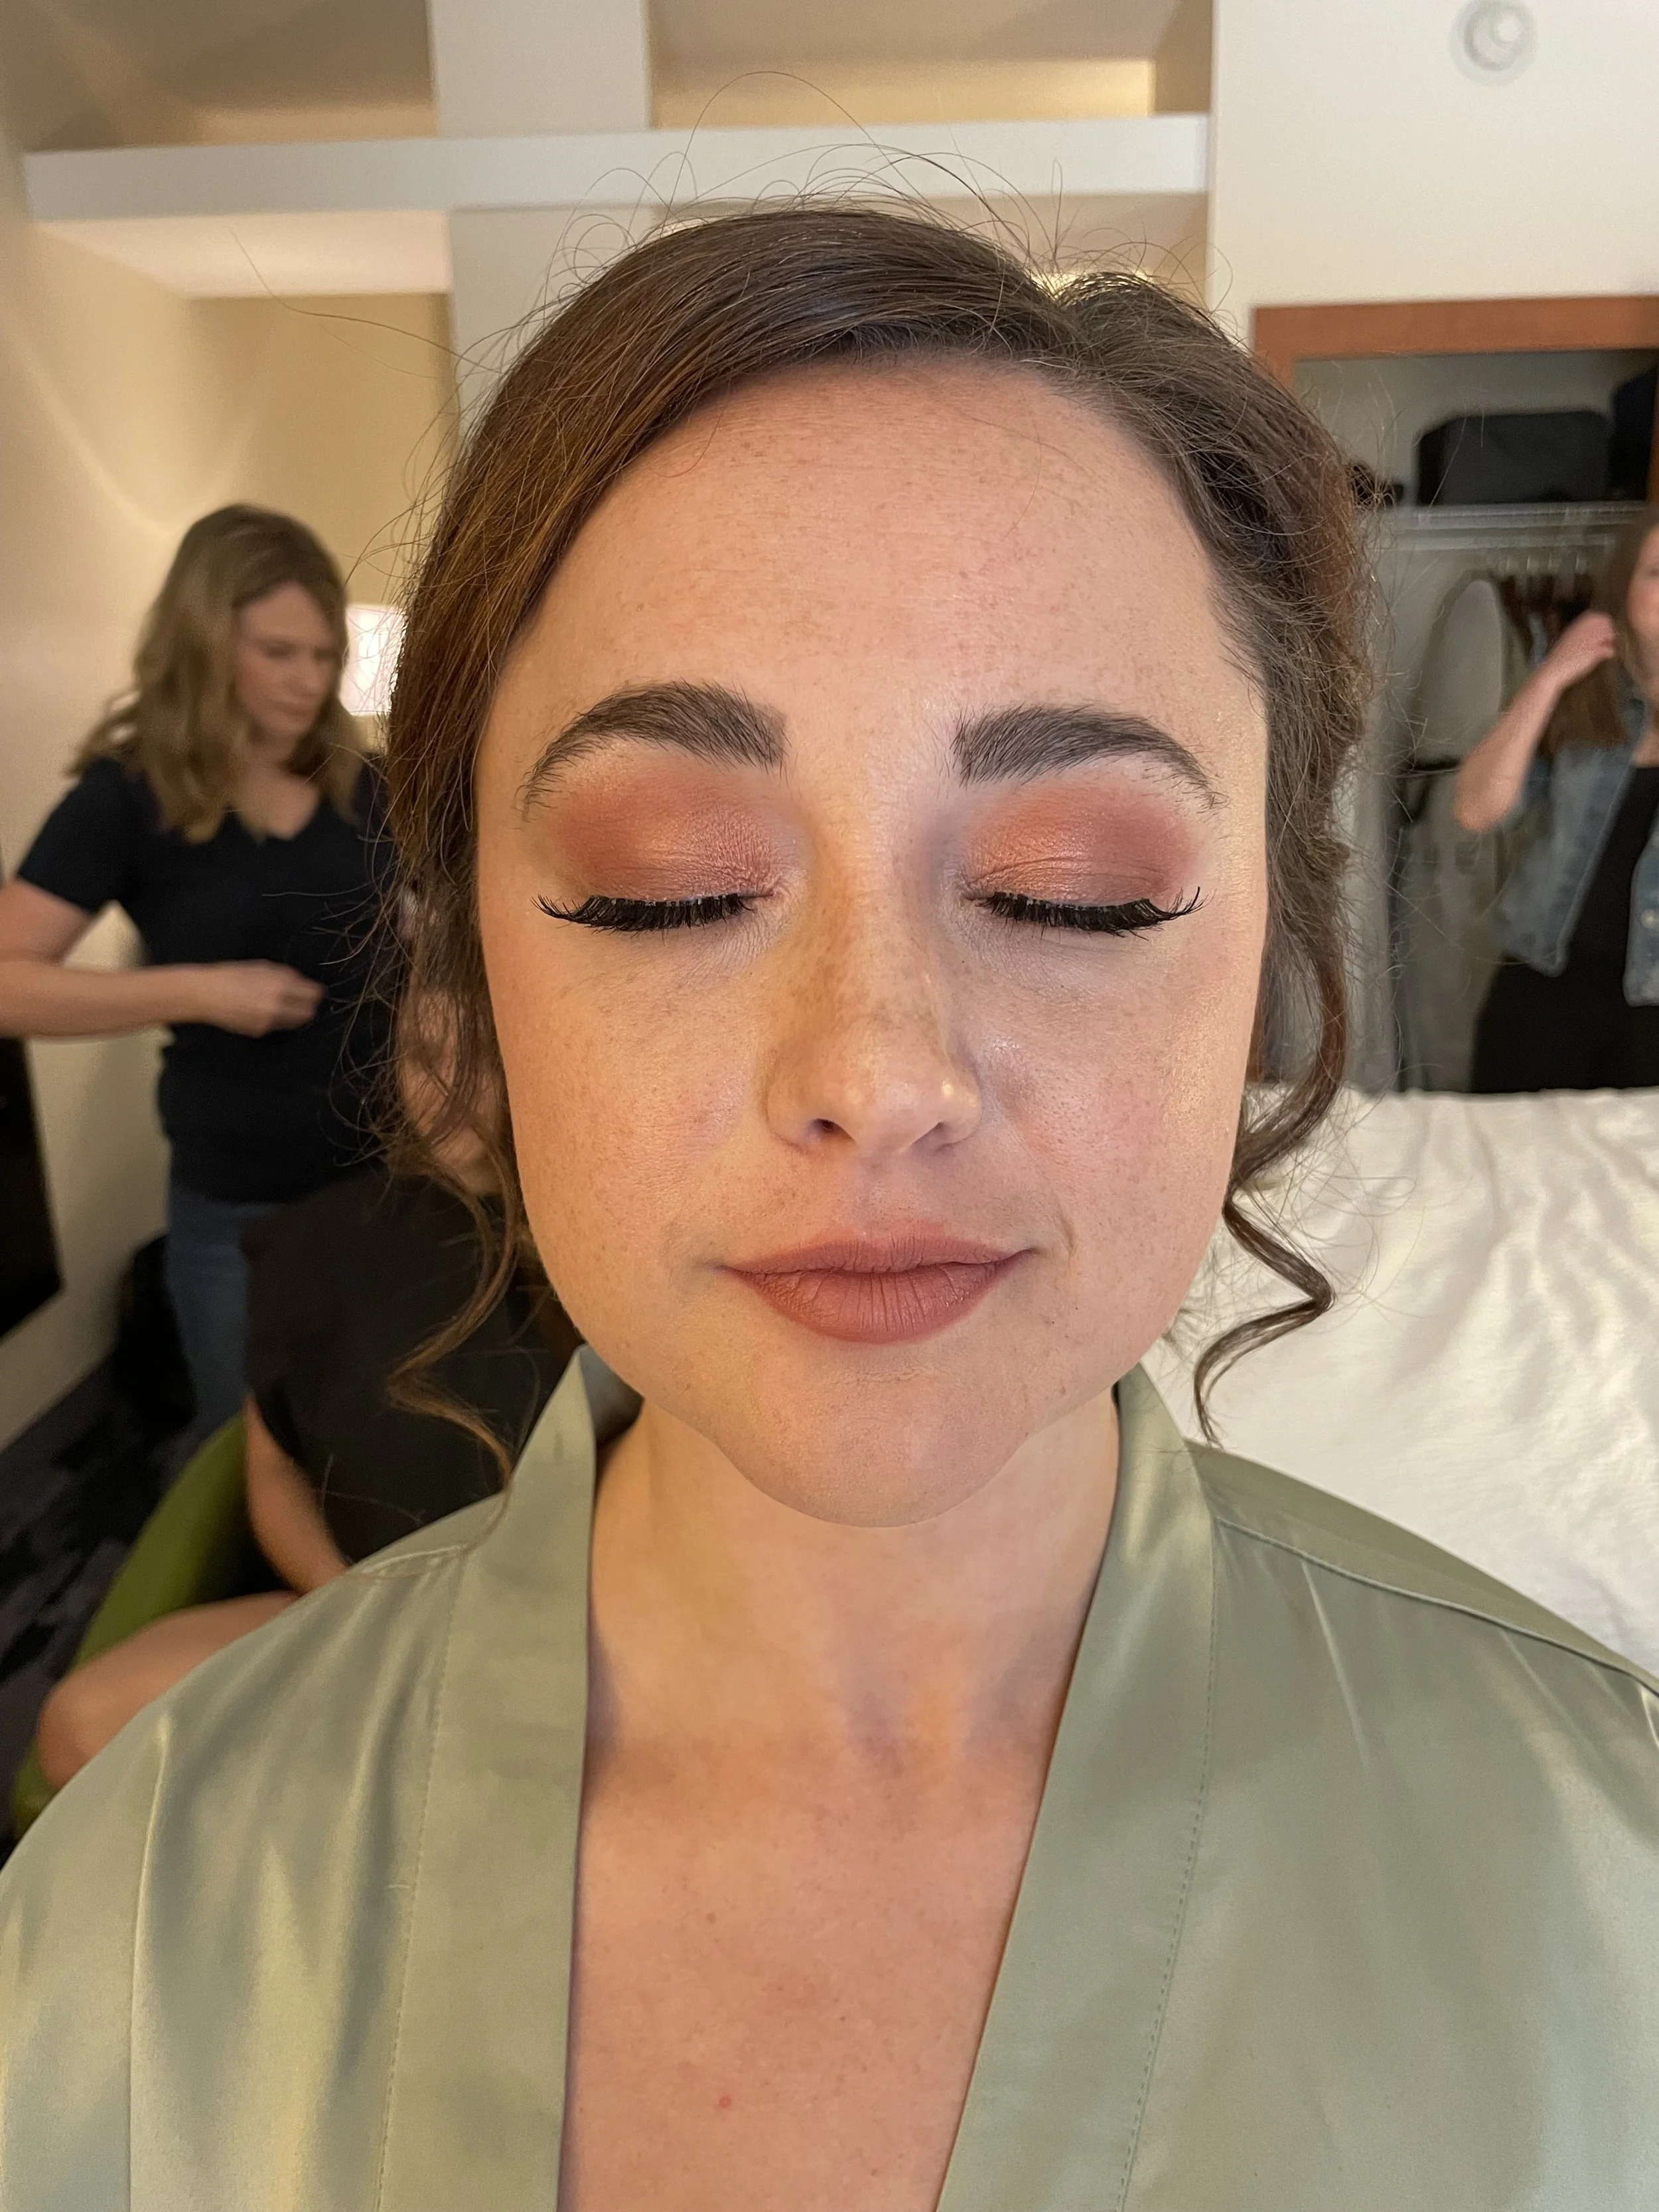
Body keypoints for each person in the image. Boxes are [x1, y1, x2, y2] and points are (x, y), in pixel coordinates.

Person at [3, 207, 1658, 2208]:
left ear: (1262, 953)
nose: (876, 1072)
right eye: (669, 882)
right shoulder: (134, 1898)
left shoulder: (1600, 1867)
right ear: (474, 972)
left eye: (1071, 887)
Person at [0, 507, 395, 1432]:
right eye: (279, 652)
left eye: (324, 655)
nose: (311, 681)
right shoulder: (127, 798)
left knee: (379, 1430)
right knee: (243, 1441)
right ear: (207, 639)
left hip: (385, 1174)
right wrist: (198, 990)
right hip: (236, 1196)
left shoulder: (362, 780)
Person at [32, 1159, 578, 1791]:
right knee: (78, 1725)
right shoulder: (321, 1245)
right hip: (379, 1621)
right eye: (424, 1055)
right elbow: (272, 1465)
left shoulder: (603, 1274)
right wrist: (358, 1604)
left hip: (545, 1650)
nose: (450, 1081)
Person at [1455, 508, 1659, 1090]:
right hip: (1542, 990)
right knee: (1506, 1170)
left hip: (1653, 1012)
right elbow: (1476, 809)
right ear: (1624, 590)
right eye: (1658, 572)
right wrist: (1549, 679)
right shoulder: (1580, 699)